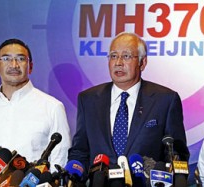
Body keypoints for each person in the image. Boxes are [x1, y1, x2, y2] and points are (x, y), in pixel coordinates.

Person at [68, 32, 189, 178]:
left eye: (126, 56)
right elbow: (80, 151)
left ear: (142, 63)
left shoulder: (165, 100)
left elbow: (176, 155)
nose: (118, 63)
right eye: (113, 56)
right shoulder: (88, 100)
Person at [0, 39, 71, 170]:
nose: (14, 65)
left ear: (30, 66)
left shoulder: (52, 107)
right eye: (6, 58)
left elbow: (60, 161)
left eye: (20, 58)